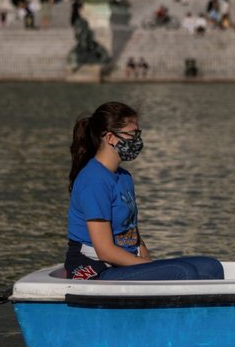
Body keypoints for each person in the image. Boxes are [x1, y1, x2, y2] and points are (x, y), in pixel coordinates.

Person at [64, 102, 224, 281]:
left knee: (211, 267)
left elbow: (131, 229)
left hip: (121, 265)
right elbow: (105, 251)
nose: (136, 140)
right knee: (184, 272)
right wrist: (149, 267)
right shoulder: (94, 181)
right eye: (131, 135)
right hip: (95, 268)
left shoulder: (124, 176)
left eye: (138, 134)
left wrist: (145, 256)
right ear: (110, 137)